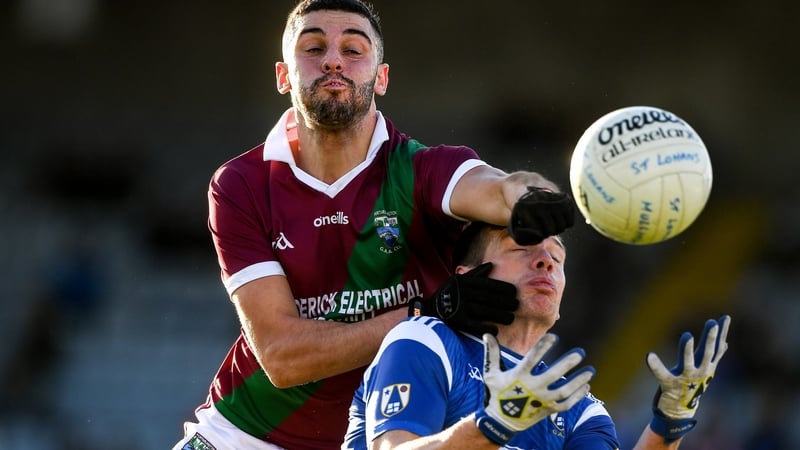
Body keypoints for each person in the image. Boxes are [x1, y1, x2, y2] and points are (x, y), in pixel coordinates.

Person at [172, 1, 577, 449]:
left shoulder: (421, 169)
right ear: (283, 76)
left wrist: (532, 197)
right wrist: (424, 312)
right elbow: (282, 357)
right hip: (243, 435)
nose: (332, 60)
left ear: (381, 77)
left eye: (353, 48)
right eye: (313, 47)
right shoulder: (242, 184)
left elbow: (498, 188)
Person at [343, 222, 731, 449]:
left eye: (556, 257)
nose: (545, 260)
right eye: (521, 248)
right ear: (468, 275)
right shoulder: (424, 342)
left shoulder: (577, 404)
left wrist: (668, 426)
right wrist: (491, 426)